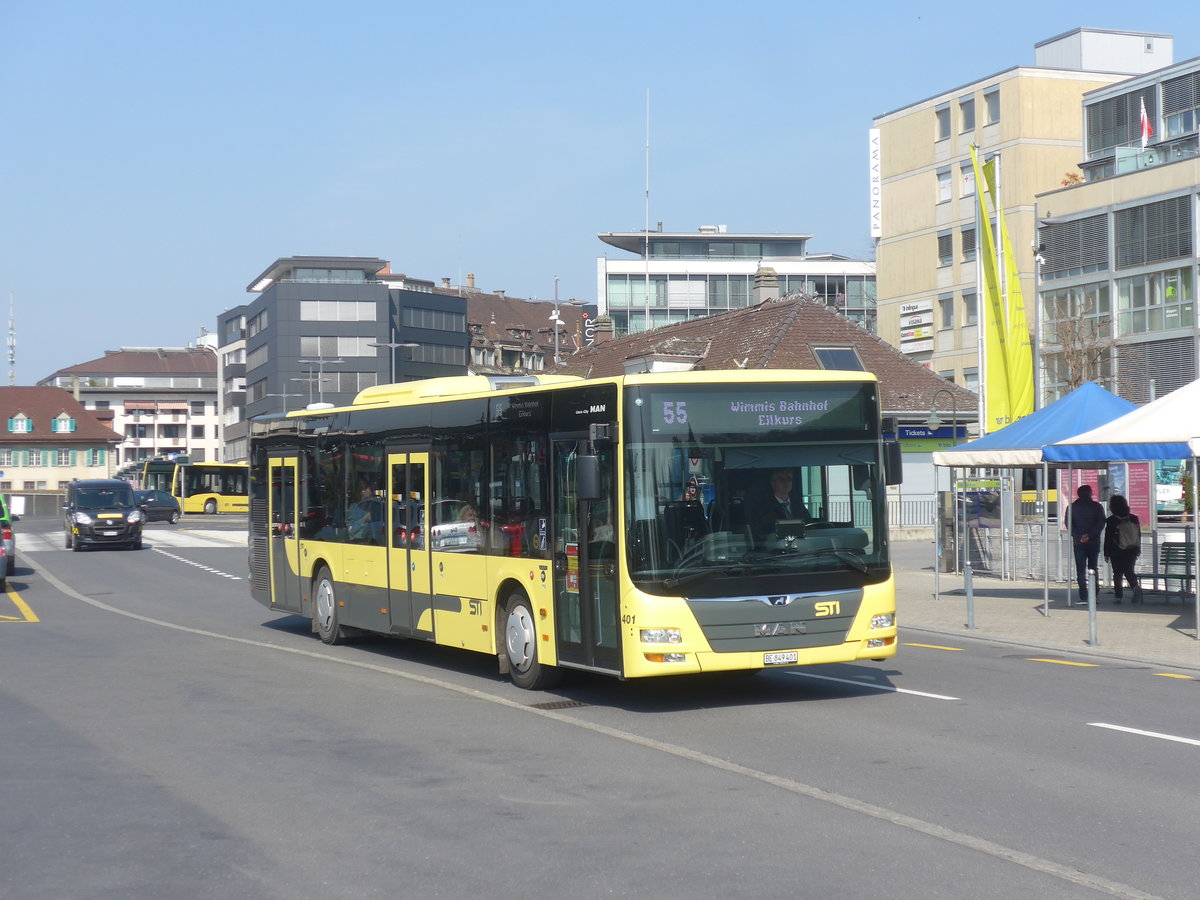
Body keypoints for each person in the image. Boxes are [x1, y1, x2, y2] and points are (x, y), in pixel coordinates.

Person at [1067, 484, 1106, 605]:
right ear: (1090, 493)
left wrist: (1080, 537)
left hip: (1078, 543)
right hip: (1093, 542)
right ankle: (1094, 596)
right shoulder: (1097, 507)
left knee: (1080, 570)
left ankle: (1083, 597)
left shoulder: (1072, 507)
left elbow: (1069, 524)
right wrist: (1089, 535)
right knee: (1093, 568)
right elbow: (1101, 523)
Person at [1103, 494, 1143, 604]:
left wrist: (1106, 552)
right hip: (1132, 549)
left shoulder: (1111, 520)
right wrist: (1138, 548)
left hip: (1116, 550)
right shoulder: (1134, 518)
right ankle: (1135, 587)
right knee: (1129, 570)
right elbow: (1138, 535)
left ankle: (1118, 596)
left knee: (1117, 573)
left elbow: (1108, 537)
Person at [752, 468, 811, 540]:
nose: (786, 483)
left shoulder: (798, 505)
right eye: (782, 480)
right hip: (775, 547)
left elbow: (809, 524)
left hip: (802, 547)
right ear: (772, 483)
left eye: (789, 479)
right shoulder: (764, 507)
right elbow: (762, 533)